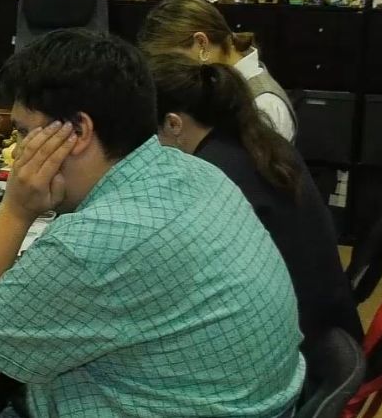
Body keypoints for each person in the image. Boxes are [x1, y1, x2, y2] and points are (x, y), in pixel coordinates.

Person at [0, 29, 304, 417]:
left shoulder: (96, 241)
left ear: (78, 131)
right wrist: (9, 280)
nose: (17, 153)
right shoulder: (194, 171)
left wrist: (16, 210)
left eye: (23, 132)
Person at [149, 52, 362, 343]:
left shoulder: (212, 173)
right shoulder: (258, 140)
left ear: (174, 124)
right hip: (326, 319)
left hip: (298, 338)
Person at [138, 0, 296, 141]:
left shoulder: (264, 104)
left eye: (173, 60)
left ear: (201, 43)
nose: (170, 71)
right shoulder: (217, 87)